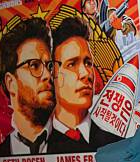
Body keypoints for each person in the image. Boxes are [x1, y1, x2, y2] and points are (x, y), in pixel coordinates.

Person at [0, 17, 55, 158]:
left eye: (50, 66)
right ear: (10, 82)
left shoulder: (77, 146)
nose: (47, 75)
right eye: (34, 65)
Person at [47, 17, 121, 153]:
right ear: (52, 74)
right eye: (72, 64)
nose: (85, 73)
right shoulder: (36, 148)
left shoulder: (117, 146)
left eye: (88, 63)